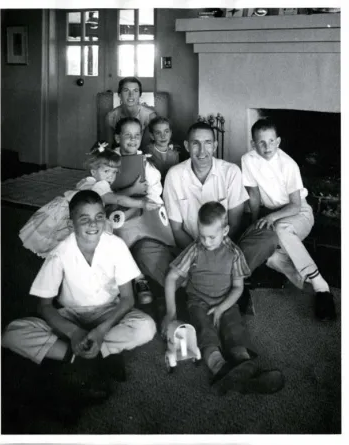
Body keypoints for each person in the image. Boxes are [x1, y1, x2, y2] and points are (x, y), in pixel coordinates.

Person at [2, 190, 157, 420]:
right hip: (70, 316)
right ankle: (85, 356)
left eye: (99, 216)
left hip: (108, 313)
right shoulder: (60, 252)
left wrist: (100, 331)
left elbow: (127, 299)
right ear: (71, 221)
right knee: (12, 333)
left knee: (146, 327)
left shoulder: (116, 246)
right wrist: (74, 333)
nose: (93, 224)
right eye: (84, 218)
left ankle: (79, 354)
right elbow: (44, 305)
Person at [132, 122, 279, 313]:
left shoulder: (231, 172)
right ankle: (224, 287)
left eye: (208, 143)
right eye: (196, 143)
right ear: (186, 146)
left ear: (215, 146)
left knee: (267, 236)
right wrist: (199, 255)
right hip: (188, 252)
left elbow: (234, 224)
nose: (202, 150)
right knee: (143, 249)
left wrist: (217, 256)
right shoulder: (174, 175)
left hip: (226, 251)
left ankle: (200, 286)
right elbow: (176, 229)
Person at [162, 202, 284, 395]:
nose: (206, 242)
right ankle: (220, 368)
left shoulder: (234, 253)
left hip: (225, 301)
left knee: (234, 327)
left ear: (225, 230)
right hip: (198, 302)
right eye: (202, 236)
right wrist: (171, 313)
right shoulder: (195, 249)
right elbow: (171, 277)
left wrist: (221, 308)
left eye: (211, 237)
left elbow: (237, 287)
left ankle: (245, 366)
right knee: (205, 330)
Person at [19, 141, 159, 303]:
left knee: (70, 247)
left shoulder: (90, 181)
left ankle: (67, 279)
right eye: (106, 171)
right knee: (90, 245)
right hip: (75, 218)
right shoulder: (100, 185)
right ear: (94, 171)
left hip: (69, 215)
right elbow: (115, 197)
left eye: (114, 173)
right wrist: (142, 203)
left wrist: (132, 190)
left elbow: (108, 195)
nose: (110, 176)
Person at [241, 118, 336, 321]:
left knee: (283, 229)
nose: (267, 147)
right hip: (272, 216)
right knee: (269, 256)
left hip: (298, 213)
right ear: (253, 143)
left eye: (271, 141)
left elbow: (295, 205)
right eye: (261, 142)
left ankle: (320, 285)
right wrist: (255, 223)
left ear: (278, 141)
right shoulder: (247, 160)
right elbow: (254, 194)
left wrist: (271, 217)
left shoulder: (288, 164)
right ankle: (306, 278)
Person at [105, 77, 157, 149]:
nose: (131, 95)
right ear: (119, 95)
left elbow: (146, 147)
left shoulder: (150, 116)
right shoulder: (111, 116)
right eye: (126, 90)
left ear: (140, 95)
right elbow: (108, 146)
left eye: (135, 91)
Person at [144, 116, 181, 182]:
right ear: (152, 136)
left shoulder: (175, 153)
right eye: (158, 133)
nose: (163, 136)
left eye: (166, 131)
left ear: (171, 133)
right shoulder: (147, 153)